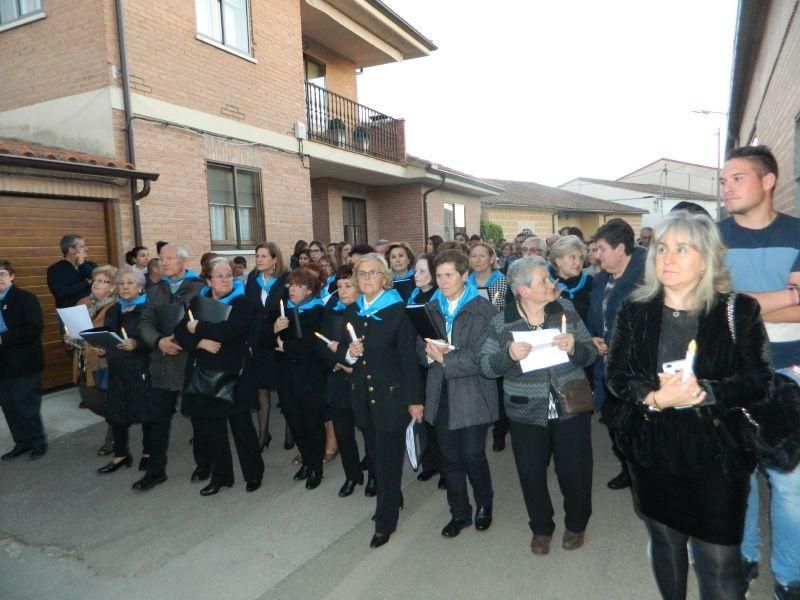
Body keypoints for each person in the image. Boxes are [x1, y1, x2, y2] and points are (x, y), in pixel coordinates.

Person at [605, 210, 773, 600]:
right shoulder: (634, 309)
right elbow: (616, 375)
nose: (668, 257)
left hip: (716, 455)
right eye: (662, 248)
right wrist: (654, 397)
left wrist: (707, 393)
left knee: (719, 562)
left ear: (706, 259)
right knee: (665, 543)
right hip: (652, 449)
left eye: (682, 248)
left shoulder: (738, 310)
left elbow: (759, 379)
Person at [718, 145, 800, 599]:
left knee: (790, 486)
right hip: (730, 375)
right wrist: (785, 299)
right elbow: (709, 311)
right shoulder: (712, 238)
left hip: (789, 371)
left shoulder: (798, 233)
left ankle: (789, 575)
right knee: (738, 476)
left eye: (737, 178)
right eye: (724, 181)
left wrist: (738, 307)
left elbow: (729, 311)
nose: (727, 188)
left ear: (768, 181)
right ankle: (744, 557)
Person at [480, 256, 596, 556]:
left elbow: (590, 356)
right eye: (544, 280)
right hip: (525, 410)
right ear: (523, 290)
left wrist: (575, 347)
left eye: (549, 277)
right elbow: (487, 367)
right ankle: (542, 527)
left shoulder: (565, 310)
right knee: (531, 473)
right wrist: (508, 354)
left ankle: (577, 523)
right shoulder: (502, 321)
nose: (551, 283)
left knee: (575, 471)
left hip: (570, 403)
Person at [336, 253, 422, 548]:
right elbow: (341, 352)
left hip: (392, 397)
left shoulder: (398, 310)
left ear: (384, 277)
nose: (368, 278)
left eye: (373, 273)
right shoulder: (352, 311)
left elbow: (409, 360)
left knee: (387, 460)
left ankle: (385, 520)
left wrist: (414, 400)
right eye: (362, 274)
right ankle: (392, 496)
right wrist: (350, 354)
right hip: (362, 396)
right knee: (375, 456)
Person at [422, 250, 498, 538]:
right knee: (449, 458)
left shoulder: (483, 310)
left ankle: (484, 504)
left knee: (472, 454)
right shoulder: (430, 307)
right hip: (440, 392)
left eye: (449, 275)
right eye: (438, 275)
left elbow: (483, 357)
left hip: (473, 392)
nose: (442, 281)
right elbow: (419, 349)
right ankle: (459, 513)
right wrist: (430, 355)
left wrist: (446, 359)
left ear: (464, 276)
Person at [175, 257, 264, 496]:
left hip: (235, 375)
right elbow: (181, 332)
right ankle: (221, 477)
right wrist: (200, 342)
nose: (225, 280)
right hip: (205, 374)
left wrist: (200, 329)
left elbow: (233, 330)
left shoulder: (242, 302)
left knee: (242, 428)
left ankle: (253, 474)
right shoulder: (198, 301)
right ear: (208, 279)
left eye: (228, 275)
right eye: (219, 275)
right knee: (212, 430)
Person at [137, 244, 205, 488]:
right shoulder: (154, 290)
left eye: (170, 258)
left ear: (184, 263)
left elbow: (202, 322)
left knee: (199, 418)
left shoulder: (199, 288)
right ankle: (155, 470)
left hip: (190, 362)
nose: (164, 263)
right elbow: (144, 322)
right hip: (162, 363)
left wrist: (178, 341)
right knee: (157, 421)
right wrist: (159, 341)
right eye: (161, 259)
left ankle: (204, 464)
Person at [587, 219, 646, 491]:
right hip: (606, 367)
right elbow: (594, 317)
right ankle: (626, 467)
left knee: (637, 426)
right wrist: (592, 338)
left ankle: (642, 473)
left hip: (636, 370)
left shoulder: (646, 279)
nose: (596, 256)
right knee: (613, 422)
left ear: (620, 248)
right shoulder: (601, 279)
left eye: (601, 249)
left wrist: (616, 344)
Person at [95, 266, 156, 489]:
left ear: (140, 287)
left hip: (140, 367)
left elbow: (154, 338)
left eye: (130, 283)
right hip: (117, 367)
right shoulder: (114, 310)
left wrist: (137, 343)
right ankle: (121, 455)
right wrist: (102, 347)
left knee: (145, 411)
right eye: (121, 283)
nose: (125, 287)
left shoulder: (148, 308)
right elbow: (109, 334)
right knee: (116, 412)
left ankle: (149, 452)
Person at [272, 267, 327, 489]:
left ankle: (317, 467)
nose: (292, 289)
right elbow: (266, 340)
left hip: (310, 375)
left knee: (312, 422)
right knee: (294, 420)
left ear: (310, 290)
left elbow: (314, 345)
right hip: (286, 374)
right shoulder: (283, 310)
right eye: (290, 285)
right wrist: (275, 329)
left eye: (299, 286)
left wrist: (287, 346)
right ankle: (306, 459)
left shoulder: (318, 311)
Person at [317, 265, 369, 496]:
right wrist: (336, 361)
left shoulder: (365, 313)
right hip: (338, 380)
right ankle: (352, 475)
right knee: (344, 433)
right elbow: (322, 343)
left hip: (360, 381)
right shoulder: (332, 312)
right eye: (339, 287)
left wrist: (349, 363)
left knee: (369, 432)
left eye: (348, 285)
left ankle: (376, 477)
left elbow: (368, 349)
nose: (343, 291)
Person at [69, 265, 118, 456]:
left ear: (113, 287)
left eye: (102, 281)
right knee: (90, 400)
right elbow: (73, 328)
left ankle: (113, 436)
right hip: (82, 358)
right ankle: (118, 420)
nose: (96, 284)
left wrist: (104, 346)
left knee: (105, 400)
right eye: (95, 280)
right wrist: (70, 338)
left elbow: (116, 336)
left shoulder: (116, 307)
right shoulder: (83, 302)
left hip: (104, 361)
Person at [0, 259, 47, 461]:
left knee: (25, 404)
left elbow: (34, 328)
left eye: (2, 273)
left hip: (24, 362)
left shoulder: (26, 298)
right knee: (9, 406)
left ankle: (37, 441)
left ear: (12, 275)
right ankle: (22, 442)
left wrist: (3, 338)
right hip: (2, 365)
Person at [244, 242, 289, 451]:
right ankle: (263, 433)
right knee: (261, 387)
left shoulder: (285, 281)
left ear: (275, 259)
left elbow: (289, 311)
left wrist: (278, 332)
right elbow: (250, 312)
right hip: (259, 340)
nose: (259, 259)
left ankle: (291, 430)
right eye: (257, 256)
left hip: (279, 339)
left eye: (263, 256)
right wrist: (251, 341)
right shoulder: (252, 281)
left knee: (284, 387)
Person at [407, 253, 442, 486]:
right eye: (415, 271)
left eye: (421, 271)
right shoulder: (413, 295)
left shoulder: (438, 297)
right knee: (423, 418)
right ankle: (430, 462)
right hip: (417, 362)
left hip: (435, 362)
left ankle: (446, 467)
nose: (416, 275)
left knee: (438, 418)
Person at [549, 236, 593, 323]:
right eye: (573, 257)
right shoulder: (545, 282)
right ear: (558, 261)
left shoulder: (589, 282)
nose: (578, 263)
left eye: (581, 258)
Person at [47, 234, 97, 309]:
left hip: (94, 310)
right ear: (71, 250)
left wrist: (82, 264)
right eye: (82, 246)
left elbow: (98, 280)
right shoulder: (55, 269)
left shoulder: (91, 265)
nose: (87, 249)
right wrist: (85, 283)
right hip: (70, 312)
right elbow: (60, 293)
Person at [468, 241, 508, 311]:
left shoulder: (500, 279)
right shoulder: (466, 280)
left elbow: (496, 308)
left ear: (492, 259)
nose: (477, 260)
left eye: (482, 256)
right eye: (474, 256)